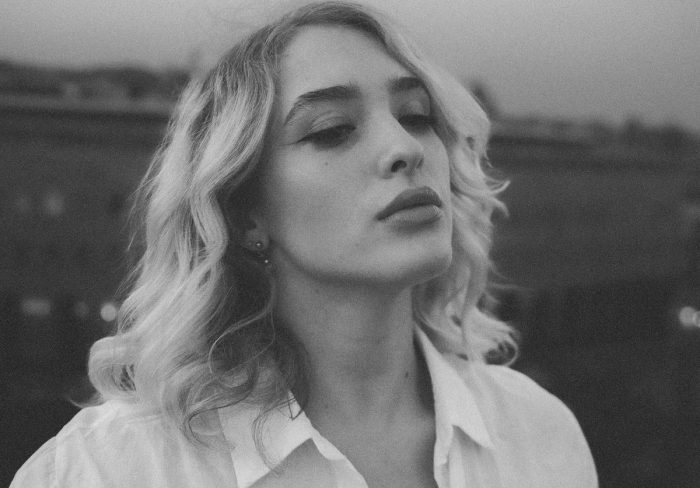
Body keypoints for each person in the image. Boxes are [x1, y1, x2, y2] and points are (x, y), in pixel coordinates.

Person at [12, 2, 598, 487]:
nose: (405, 147)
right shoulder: (110, 469)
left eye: (417, 115)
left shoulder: (539, 432)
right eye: (332, 129)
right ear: (246, 214)